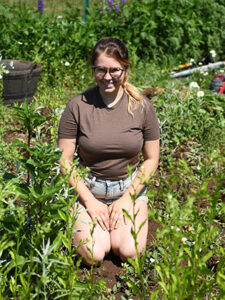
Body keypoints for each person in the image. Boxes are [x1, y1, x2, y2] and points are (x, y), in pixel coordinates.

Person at [58, 37, 160, 266]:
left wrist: (127, 199)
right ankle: (89, 224)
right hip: (88, 190)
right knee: (94, 254)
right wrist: (89, 201)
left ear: (125, 69)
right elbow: (63, 159)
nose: (107, 77)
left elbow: (152, 159)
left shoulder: (142, 106)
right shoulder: (77, 106)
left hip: (128, 188)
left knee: (129, 252)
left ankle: (122, 224)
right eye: (100, 70)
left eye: (114, 70)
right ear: (93, 69)